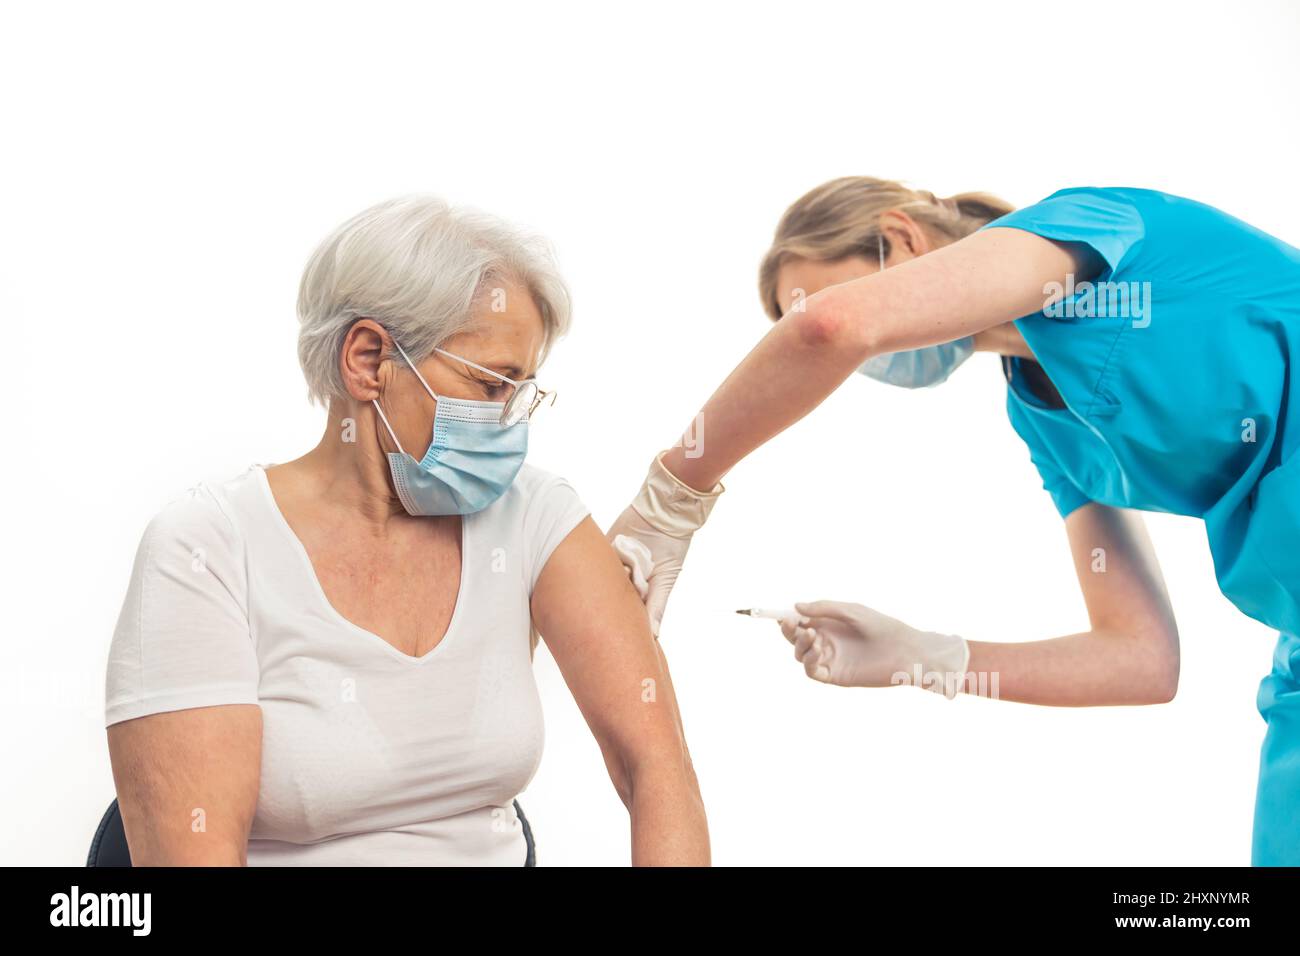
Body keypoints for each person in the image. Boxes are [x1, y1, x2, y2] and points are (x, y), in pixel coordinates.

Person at [607, 176, 1300, 865]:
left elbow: (830, 328)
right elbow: (1142, 659)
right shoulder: (1041, 418)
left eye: (833, 293)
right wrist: (924, 656)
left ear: (903, 236)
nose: (850, 360)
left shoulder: (1089, 223)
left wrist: (669, 502)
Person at [105, 195, 708, 866]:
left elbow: (655, 765)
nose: (512, 421)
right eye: (492, 386)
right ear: (367, 360)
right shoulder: (208, 546)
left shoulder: (534, 514)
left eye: (524, 389)